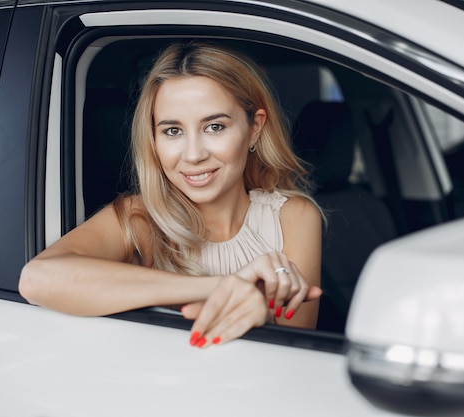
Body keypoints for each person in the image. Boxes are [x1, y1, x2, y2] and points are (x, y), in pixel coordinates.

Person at [19, 41, 323, 348]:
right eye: (172, 131)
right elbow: (37, 279)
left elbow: (296, 351)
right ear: (153, 137)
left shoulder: (292, 216)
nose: (193, 155)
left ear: (254, 128)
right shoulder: (140, 219)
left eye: (215, 127)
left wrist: (260, 309)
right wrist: (222, 287)